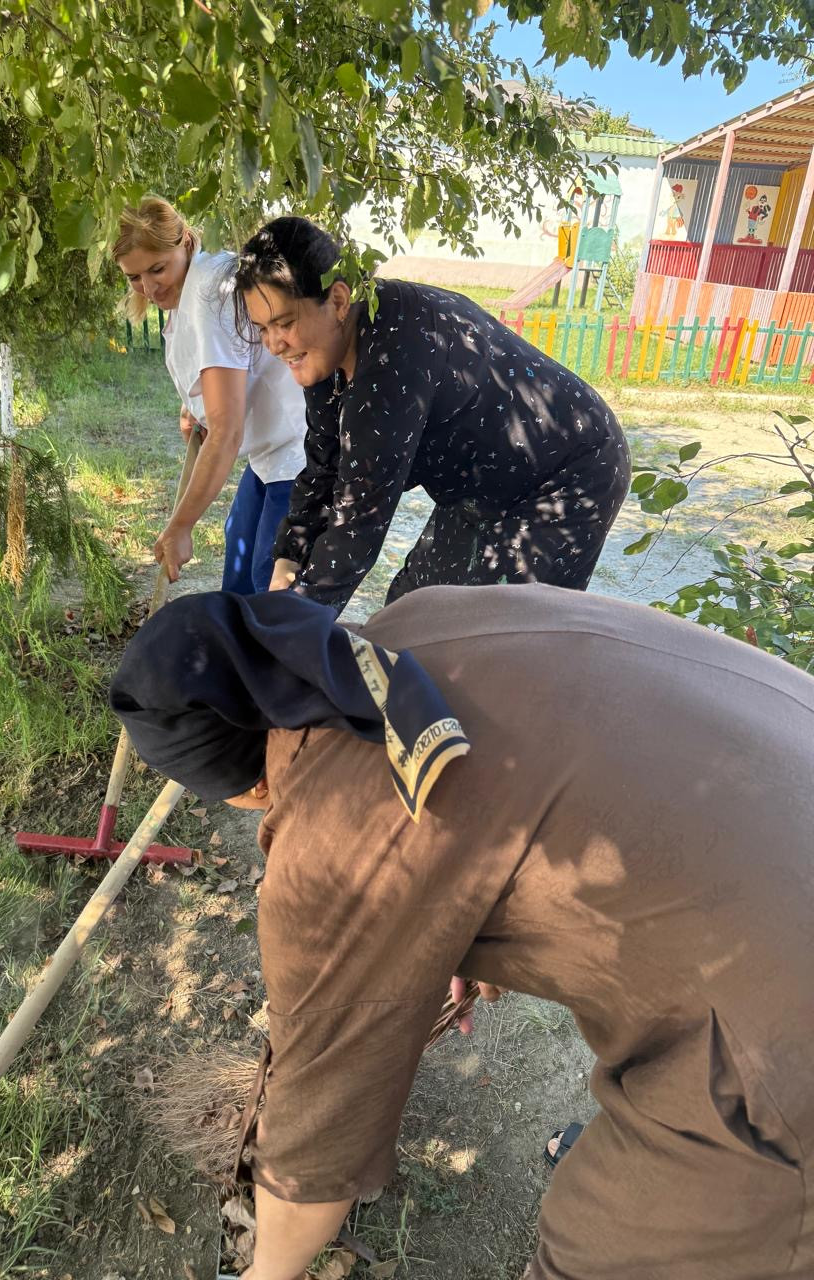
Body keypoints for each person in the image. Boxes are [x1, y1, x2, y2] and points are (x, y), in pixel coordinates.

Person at [110, 585, 814, 1280]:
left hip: (784, 1040)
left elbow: (315, 1144)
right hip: (785, 772)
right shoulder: (418, 622)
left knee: (600, 1253)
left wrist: (267, 1271)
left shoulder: (334, 840)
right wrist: (466, 921)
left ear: (244, 788)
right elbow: (537, 775)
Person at [233, 216, 631, 614]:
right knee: (408, 613)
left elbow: (358, 521)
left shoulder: (394, 354)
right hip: (480, 486)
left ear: (338, 300)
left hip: (569, 473)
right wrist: (288, 561)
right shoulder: (324, 354)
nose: (274, 344)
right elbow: (324, 467)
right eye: (262, 328)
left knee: (483, 630)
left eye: (284, 323)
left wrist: (292, 624)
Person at [113, 198, 306, 593]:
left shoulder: (208, 291)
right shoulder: (189, 286)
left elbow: (227, 431)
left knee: (270, 588)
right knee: (239, 575)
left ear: (185, 242)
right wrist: (195, 406)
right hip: (269, 455)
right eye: (133, 277)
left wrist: (180, 526)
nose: (148, 288)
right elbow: (228, 363)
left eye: (157, 268)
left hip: (302, 452)